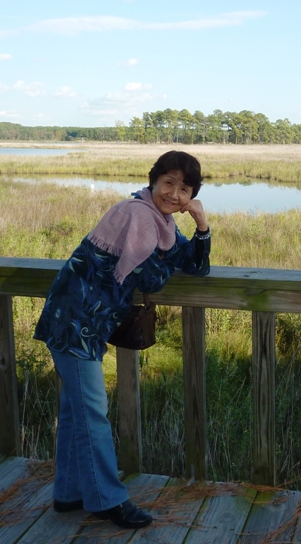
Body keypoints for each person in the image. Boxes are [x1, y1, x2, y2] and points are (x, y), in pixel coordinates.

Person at [34, 150, 211, 529]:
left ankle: (68, 494)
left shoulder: (161, 222)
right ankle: (107, 499)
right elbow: (151, 279)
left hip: (86, 323)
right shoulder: (137, 217)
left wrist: (201, 226)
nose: (174, 194)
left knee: (75, 409)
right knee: (93, 410)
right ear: (153, 182)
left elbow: (196, 265)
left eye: (185, 189)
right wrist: (171, 256)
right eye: (168, 183)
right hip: (74, 320)